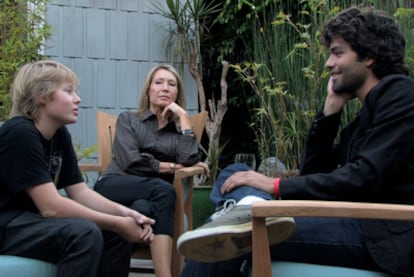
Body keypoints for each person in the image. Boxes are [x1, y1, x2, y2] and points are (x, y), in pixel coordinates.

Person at [178, 6, 414, 277]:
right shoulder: (365, 115)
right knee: (234, 174)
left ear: (370, 56)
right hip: (354, 220)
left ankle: (237, 217)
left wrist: (275, 185)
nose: (328, 63)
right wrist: (329, 110)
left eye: (338, 52)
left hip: (379, 234)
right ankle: (239, 211)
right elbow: (315, 172)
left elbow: (363, 176)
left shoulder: (400, 96)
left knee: (229, 239)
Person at [0, 60, 155, 277]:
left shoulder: (59, 135)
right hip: (6, 222)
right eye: (68, 91)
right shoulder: (20, 133)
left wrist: (127, 214)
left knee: (113, 233)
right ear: (41, 96)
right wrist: (118, 223)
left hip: (29, 222)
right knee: (83, 233)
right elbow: (50, 207)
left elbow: (80, 193)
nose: (78, 99)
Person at [93, 63, 209, 277]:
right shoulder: (129, 120)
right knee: (163, 190)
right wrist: (174, 166)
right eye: (159, 82)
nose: (165, 88)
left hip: (150, 200)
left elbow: (190, 156)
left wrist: (183, 118)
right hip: (114, 184)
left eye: (171, 84)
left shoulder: (178, 134)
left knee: (142, 208)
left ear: (177, 94)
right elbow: (131, 161)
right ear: (148, 91)